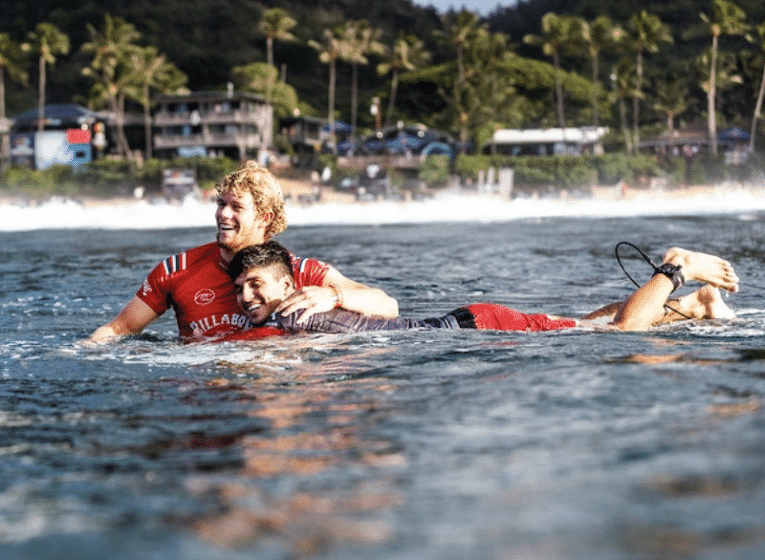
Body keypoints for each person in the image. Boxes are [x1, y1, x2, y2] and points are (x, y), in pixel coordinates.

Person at [86, 162, 398, 344]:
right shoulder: (177, 270)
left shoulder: (295, 270)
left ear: (264, 218)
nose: (223, 214)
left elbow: (387, 305)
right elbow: (120, 329)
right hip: (206, 385)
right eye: (221, 204)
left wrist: (334, 296)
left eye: (236, 207)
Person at [217, 241, 739, 341]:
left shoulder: (295, 312)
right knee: (585, 325)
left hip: (477, 326)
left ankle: (676, 267)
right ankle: (694, 305)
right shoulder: (290, 314)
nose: (245, 297)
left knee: (623, 332)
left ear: (287, 284)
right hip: (468, 321)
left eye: (254, 285)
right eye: (239, 288)